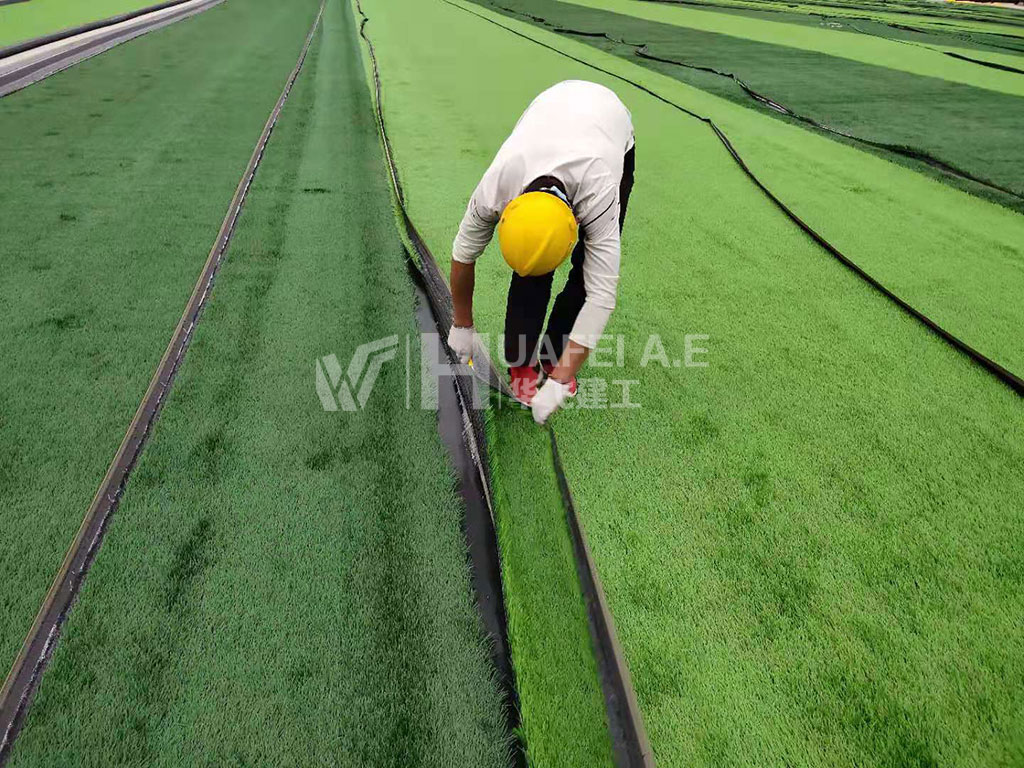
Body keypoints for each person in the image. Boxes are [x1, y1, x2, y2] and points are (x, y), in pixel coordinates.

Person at [447, 80, 635, 425]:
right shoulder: (495, 187)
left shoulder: (600, 191)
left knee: (584, 274)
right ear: (507, 211)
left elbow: (601, 297)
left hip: (610, 124)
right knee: (531, 271)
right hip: (551, 105)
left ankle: (552, 357)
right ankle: (522, 364)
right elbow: (463, 255)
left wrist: (561, 377)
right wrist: (462, 323)